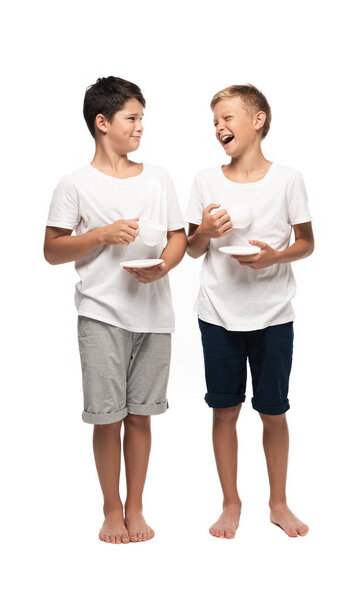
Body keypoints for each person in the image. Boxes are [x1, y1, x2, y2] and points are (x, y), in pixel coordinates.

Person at [44, 76, 186, 544]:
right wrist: (102, 235)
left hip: (154, 316)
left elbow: (177, 235)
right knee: (107, 417)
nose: (140, 127)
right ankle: (110, 509)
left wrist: (164, 265)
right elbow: (52, 249)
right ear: (102, 123)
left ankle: (136, 505)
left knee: (141, 415)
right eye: (132, 118)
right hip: (101, 314)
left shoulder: (158, 177)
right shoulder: (74, 184)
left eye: (142, 118)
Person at [185, 84, 314, 539]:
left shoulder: (289, 179)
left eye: (227, 118)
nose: (220, 127)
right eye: (215, 121)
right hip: (217, 314)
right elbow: (193, 250)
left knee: (273, 411)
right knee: (224, 411)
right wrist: (204, 229)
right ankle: (231, 503)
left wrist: (274, 257)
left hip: (274, 315)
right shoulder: (205, 180)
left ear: (257, 120)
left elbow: (307, 242)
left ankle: (278, 503)